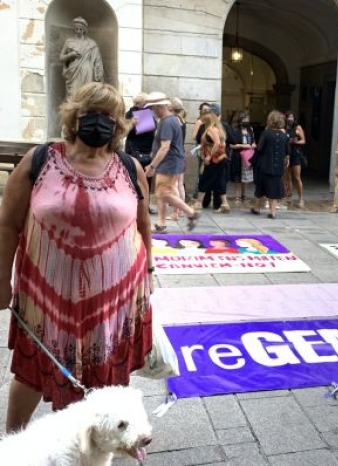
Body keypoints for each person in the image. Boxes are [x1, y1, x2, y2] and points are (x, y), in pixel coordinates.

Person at [0, 82, 153, 431]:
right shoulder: (39, 161)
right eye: (91, 114)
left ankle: (92, 445)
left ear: (118, 125)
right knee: (31, 372)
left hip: (115, 300)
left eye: (108, 116)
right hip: (45, 297)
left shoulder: (130, 167)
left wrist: (149, 273)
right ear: (74, 116)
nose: (99, 122)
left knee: (107, 378)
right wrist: (1, 280)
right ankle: (12, 444)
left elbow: (144, 225)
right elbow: (7, 224)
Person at [144, 92, 199, 232]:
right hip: (170, 162)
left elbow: (165, 147)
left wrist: (152, 166)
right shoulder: (171, 120)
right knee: (162, 192)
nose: (152, 111)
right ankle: (161, 223)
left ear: (159, 107)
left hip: (168, 163)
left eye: (152, 108)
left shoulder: (167, 122)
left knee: (163, 193)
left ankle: (190, 213)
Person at [251, 110, 290, 219]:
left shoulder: (266, 133)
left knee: (261, 187)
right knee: (274, 187)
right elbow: (287, 151)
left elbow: (260, 148)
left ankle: (261, 209)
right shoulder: (284, 135)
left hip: (265, 165)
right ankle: (270, 211)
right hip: (278, 167)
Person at [125, 92, 157, 215]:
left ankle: (145, 206)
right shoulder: (131, 114)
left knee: (146, 179)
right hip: (136, 151)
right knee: (136, 178)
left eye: (144, 102)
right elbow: (133, 132)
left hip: (146, 150)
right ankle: (136, 205)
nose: (143, 104)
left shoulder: (149, 113)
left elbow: (151, 130)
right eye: (141, 102)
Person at [59, 16, 104, 101]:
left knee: (86, 94)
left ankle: (85, 113)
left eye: (80, 28)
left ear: (84, 29)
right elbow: (61, 58)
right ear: (74, 29)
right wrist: (71, 54)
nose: (78, 31)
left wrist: (98, 73)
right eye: (76, 28)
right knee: (73, 94)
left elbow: (98, 60)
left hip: (87, 71)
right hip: (73, 71)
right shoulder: (69, 42)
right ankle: (72, 112)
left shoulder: (91, 43)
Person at [196, 109, 230, 213]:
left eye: (203, 119)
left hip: (214, 160)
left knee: (204, 179)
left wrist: (209, 156)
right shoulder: (217, 129)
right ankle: (224, 204)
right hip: (220, 159)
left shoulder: (211, 129)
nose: (202, 121)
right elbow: (222, 144)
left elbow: (217, 143)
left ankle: (198, 203)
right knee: (219, 181)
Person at [229, 112, 256, 203]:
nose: (246, 121)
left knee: (246, 176)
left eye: (248, 119)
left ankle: (244, 195)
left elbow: (254, 141)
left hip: (248, 156)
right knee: (237, 176)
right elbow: (231, 145)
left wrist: (253, 145)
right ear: (240, 120)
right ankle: (237, 196)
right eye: (244, 119)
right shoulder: (235, 130)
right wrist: (243, 146)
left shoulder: (250, 130)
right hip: (238, 155)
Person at [168, 97, 188, 221]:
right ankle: (180, 210)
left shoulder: (173, 120)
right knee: (180, 184)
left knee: (174, 185)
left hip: (173, 155)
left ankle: (175, 212)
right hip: (181, 153)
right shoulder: (182, 120)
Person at [284, 111, 307, 208]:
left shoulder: (297, 128)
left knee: (297, 177)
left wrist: (295, 141)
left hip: (295, 154)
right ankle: (289, 196)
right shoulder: (283, 128)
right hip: (286, 154)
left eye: (292, 117)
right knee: (287, 177)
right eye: (289, 117)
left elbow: (303, 141)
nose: (290, 119)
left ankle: (301, 198)